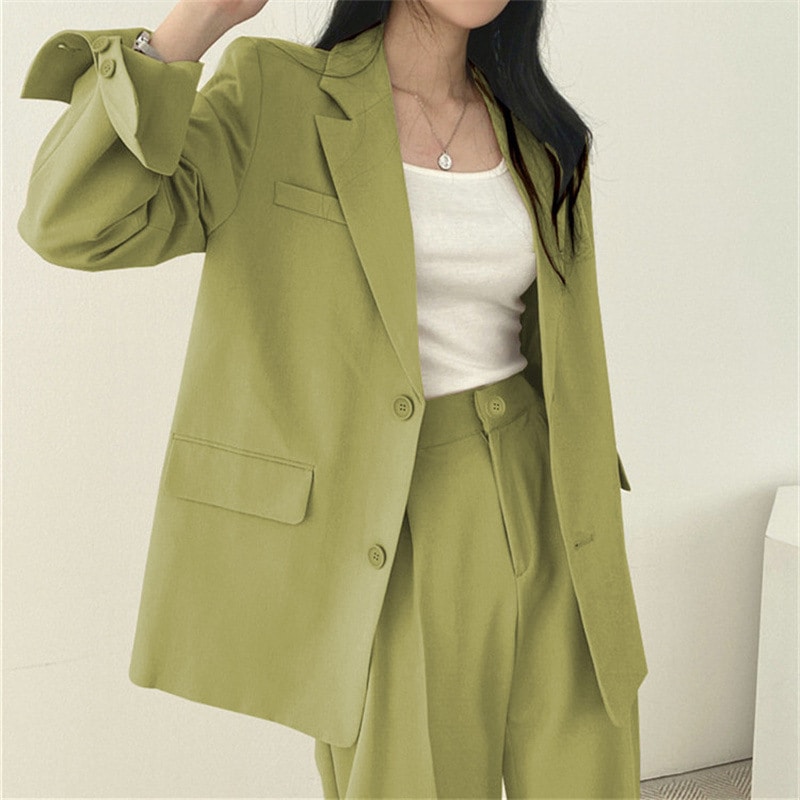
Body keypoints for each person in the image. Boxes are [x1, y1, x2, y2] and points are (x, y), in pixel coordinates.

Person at [17, 0, 648, 796]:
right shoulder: (277, 94)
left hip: (551, 499)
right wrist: (194, 23)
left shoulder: (543, 133)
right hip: (386, 515)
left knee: (588, 778)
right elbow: (73, 222)